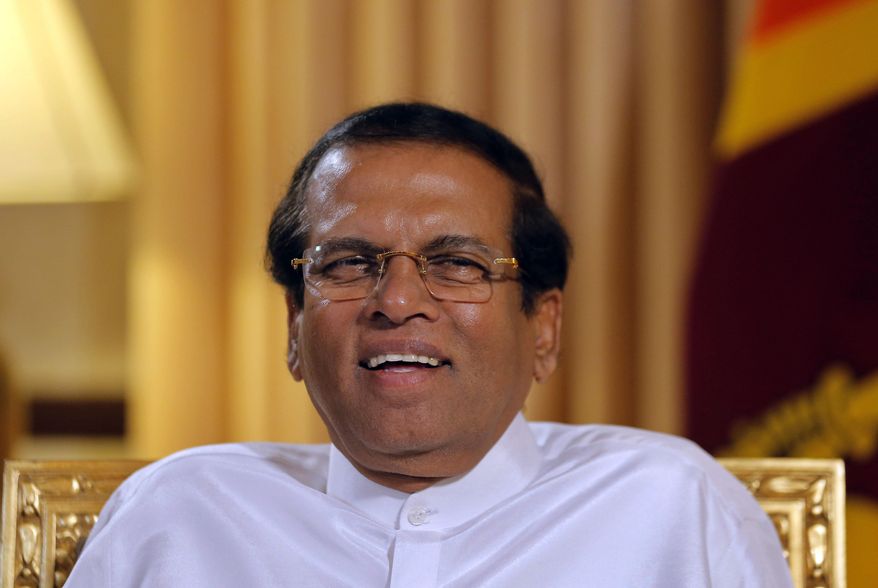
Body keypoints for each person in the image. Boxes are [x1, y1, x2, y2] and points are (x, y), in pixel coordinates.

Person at [67, 103, 792, 587]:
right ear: (294, 326)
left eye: (458, 265)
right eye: (348, 263)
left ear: (543, 326)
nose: (399, 301)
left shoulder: (672, 506)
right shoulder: (180, 515)